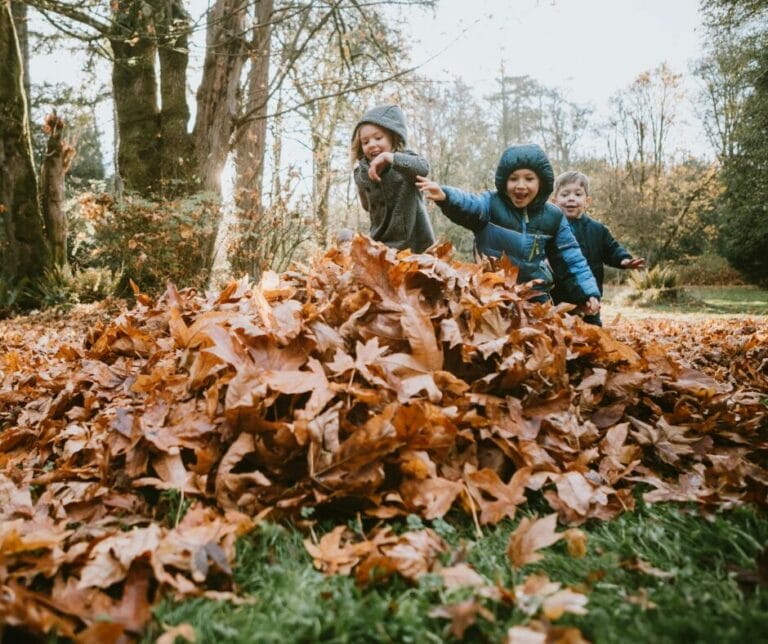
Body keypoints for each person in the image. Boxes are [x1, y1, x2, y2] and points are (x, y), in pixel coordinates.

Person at [415, 144, 600, 312]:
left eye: (529, 179)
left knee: (540, 338)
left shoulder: (554, 217)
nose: (520, 186)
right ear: (505, 182)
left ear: (541, 183)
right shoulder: (490, 205)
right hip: (492, 291)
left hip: (533, 295)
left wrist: (587, 292)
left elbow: (571, 257)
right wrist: (446, 196)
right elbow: (470, 204)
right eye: (513, 179)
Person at [551, 171, 646, 326]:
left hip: (590, 299)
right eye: (565, 194)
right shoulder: (550, 229)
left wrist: (624, 259)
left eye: (577, 194)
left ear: (587, 201)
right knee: (560, 333)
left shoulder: (597, 229)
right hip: (560, 297)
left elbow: (611, 248)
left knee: (593, 333)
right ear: (554, 201)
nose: (571, 198)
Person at [351, 105, 436, 253]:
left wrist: (389, 158)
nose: (372, 144)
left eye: (378, 138)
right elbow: (367, 206)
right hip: (382, 245)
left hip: (415, 246)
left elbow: (424, 168)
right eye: (365, 142)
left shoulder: (405, 162)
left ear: (393, 136)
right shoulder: (361, 173)